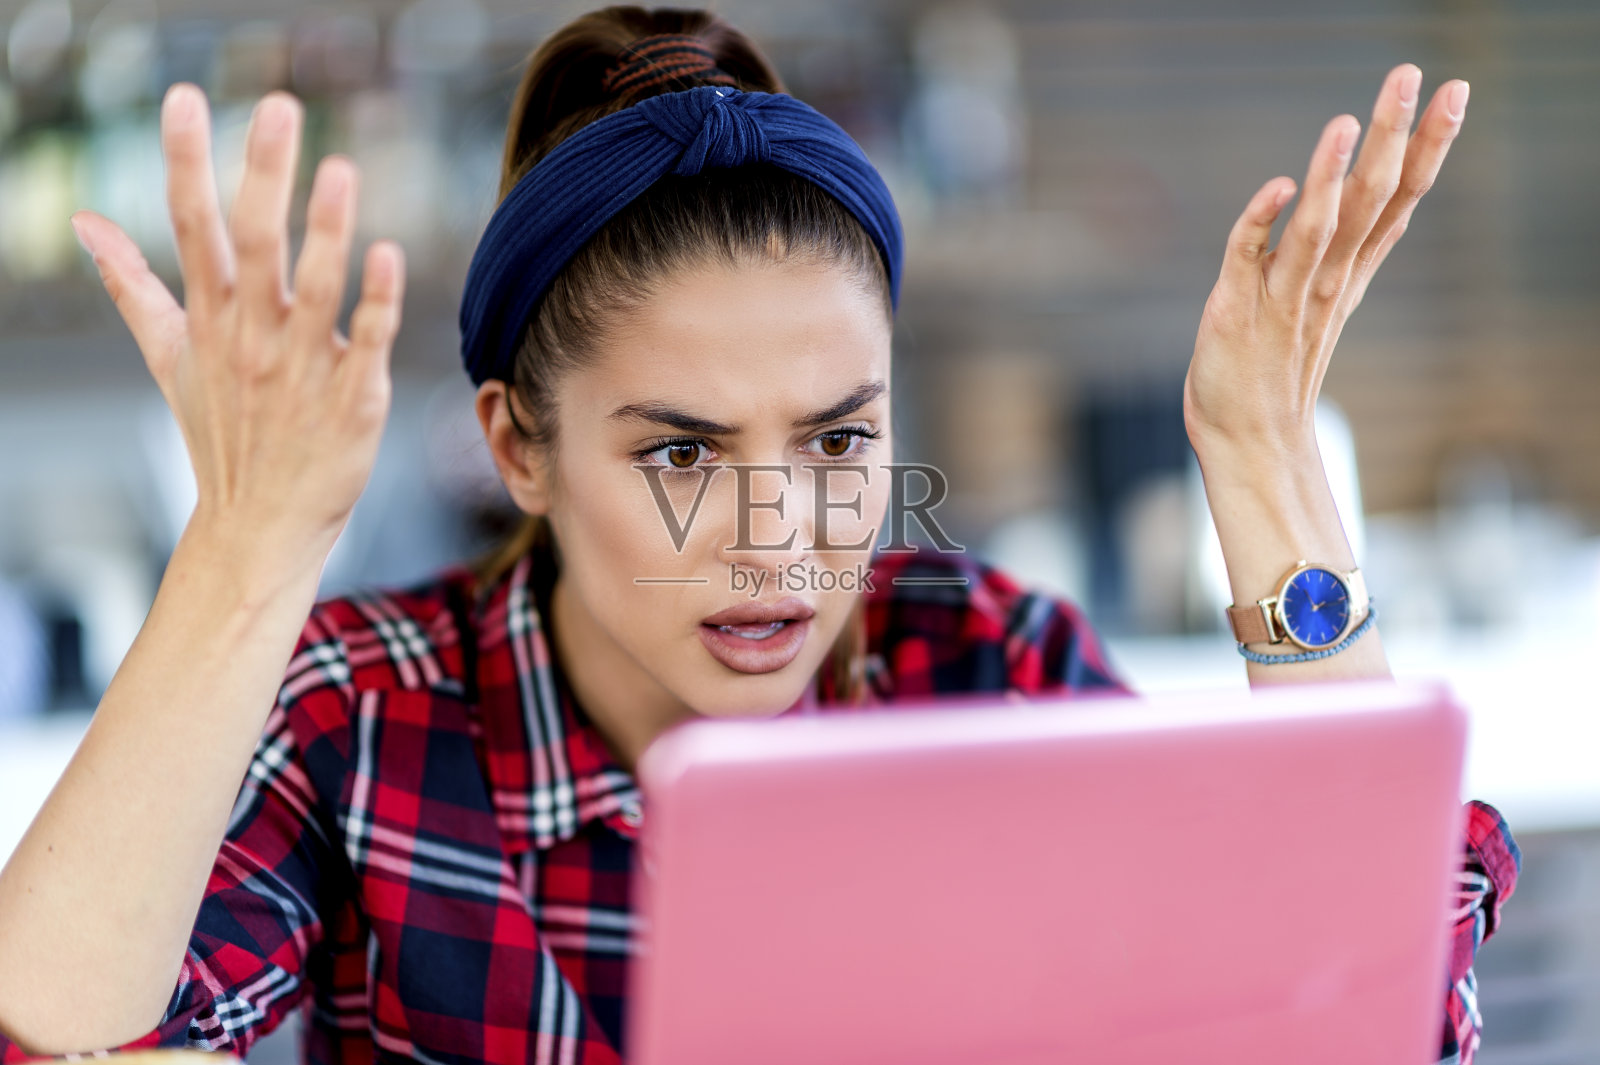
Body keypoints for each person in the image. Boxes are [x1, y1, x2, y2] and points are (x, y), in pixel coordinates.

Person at [0, 6, 1519, 1064]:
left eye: (840, 438)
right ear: (517, 445)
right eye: (680, 451)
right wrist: (250, 547)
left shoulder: (978, 662)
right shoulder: (365, 715)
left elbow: (1378, 1015)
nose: (781, 533)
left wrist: (1262, 466)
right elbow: (54, 1024)